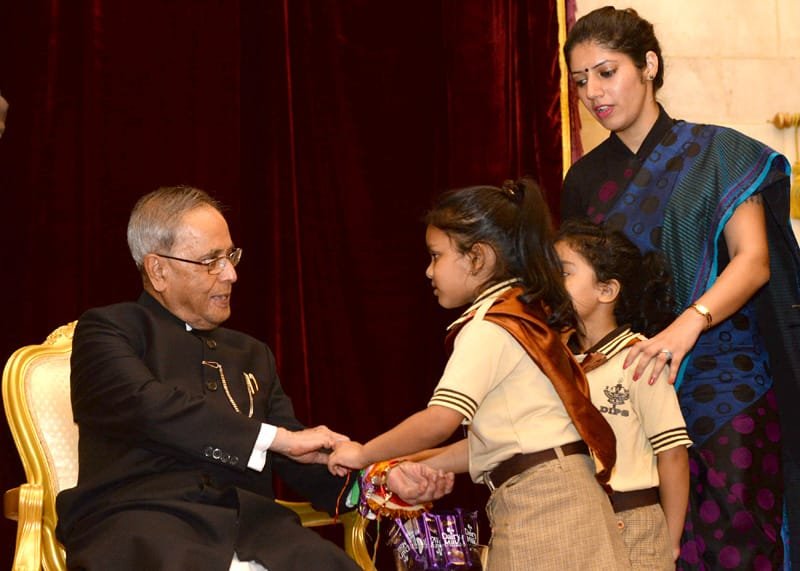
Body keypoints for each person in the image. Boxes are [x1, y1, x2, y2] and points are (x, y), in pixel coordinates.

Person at [55, 185, 451, 571]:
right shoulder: (109, 330)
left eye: (230, 256)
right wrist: (280, 439)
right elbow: (149, 407)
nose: (230, 275)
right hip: (142, 524)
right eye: (211, 260)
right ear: (158, 270)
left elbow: (298, 458)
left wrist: (381, 481)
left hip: (255, 528)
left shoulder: (251, 353)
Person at [562, 7, 800, 569]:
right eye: (579, 81)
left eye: (605, 72)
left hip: (725, 380)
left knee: (738, 544)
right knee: (649, 548)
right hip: (636, 386)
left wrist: (686, 325)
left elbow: (753, 263)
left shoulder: (719, 153)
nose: (593, 92)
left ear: (648, 65)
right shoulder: (583, 180)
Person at [329, 178, 631, 569]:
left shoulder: (488, 326)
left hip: (545, 503)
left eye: (436, 255)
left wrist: (363, 453)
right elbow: (495, 444)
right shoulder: (521, 316)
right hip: (559, 493)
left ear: (478, 258)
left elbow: (440, 420)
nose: (428, 270)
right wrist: (413, 467)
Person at [556, 218, 692, 569]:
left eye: (564, 273)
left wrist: (670, 541)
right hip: (574, 524)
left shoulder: (639, 356)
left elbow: (673, 455)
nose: (551, 284)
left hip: (632, 524)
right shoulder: (557, 359)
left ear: (607, 290)